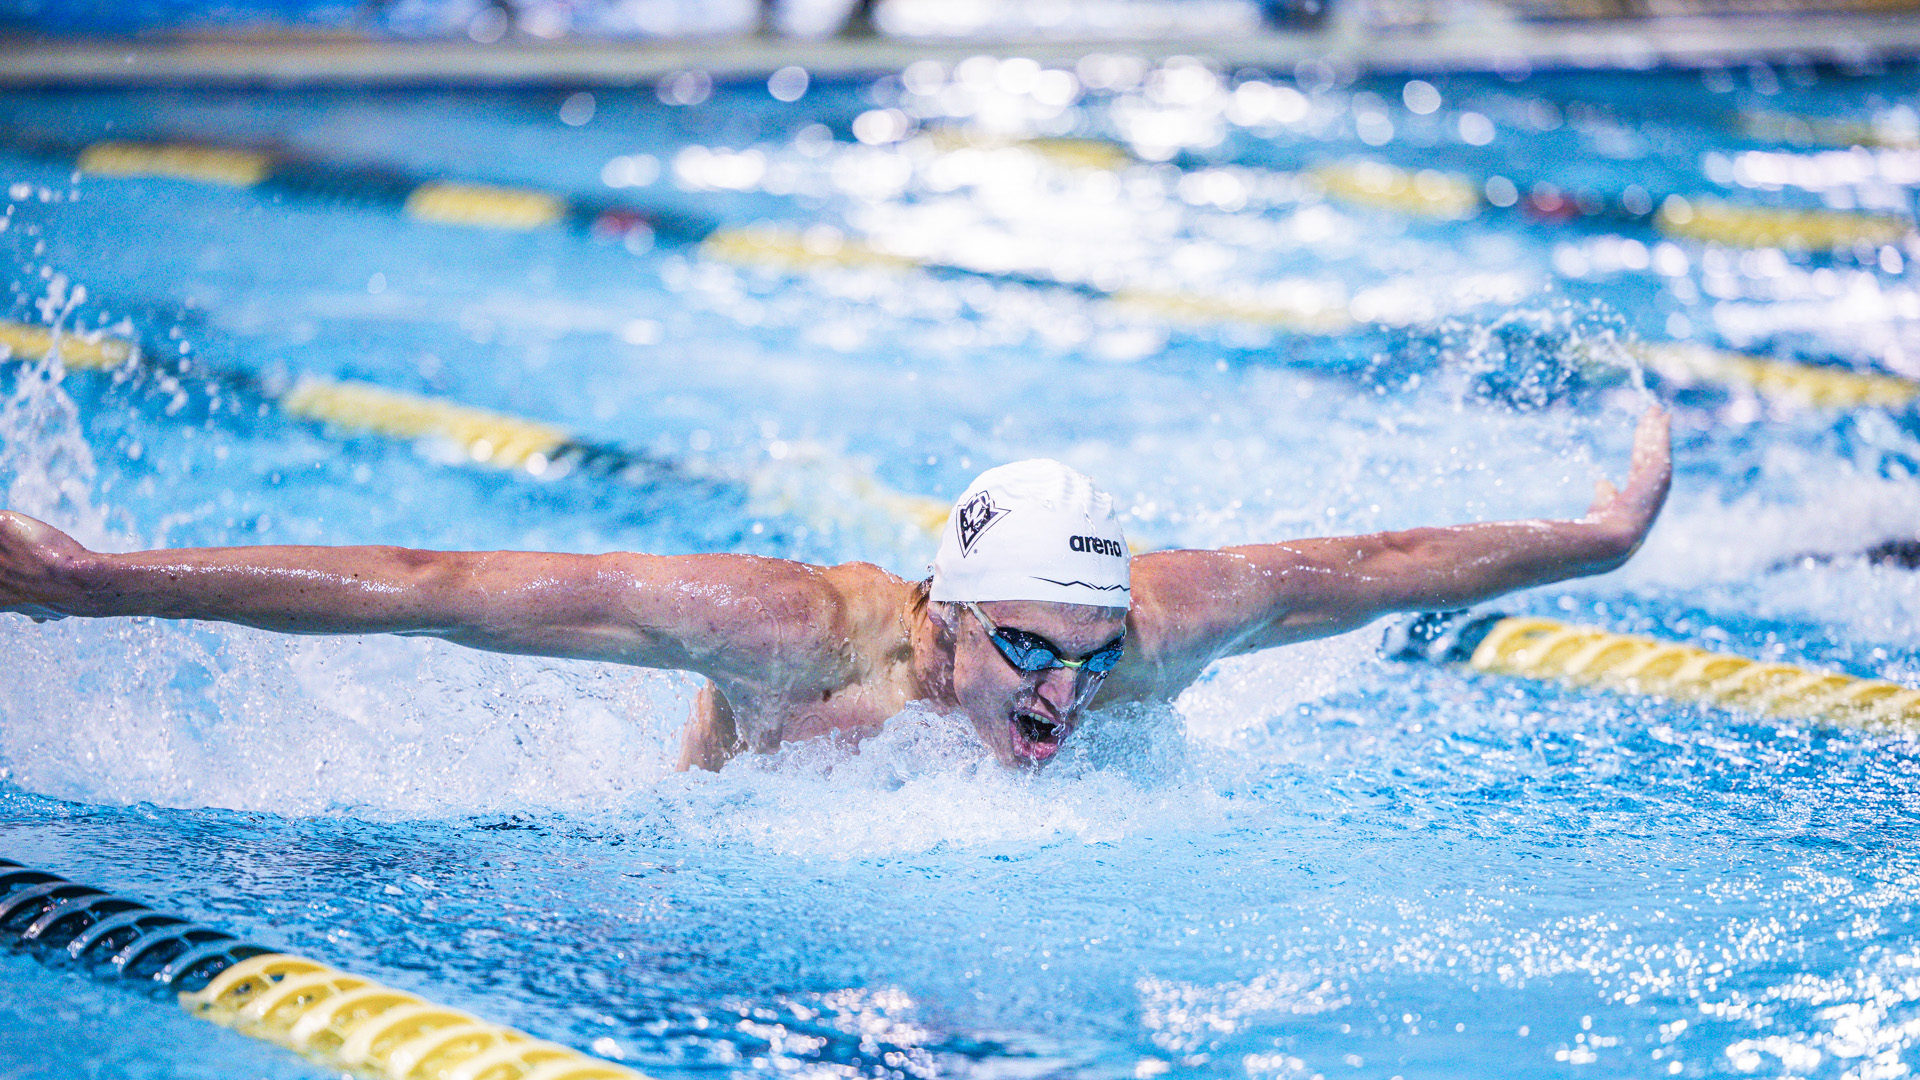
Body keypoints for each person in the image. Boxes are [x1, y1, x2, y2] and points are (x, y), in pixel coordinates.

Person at [0, 407, 1672, 772]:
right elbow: (438, 580)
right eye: (1026, 649)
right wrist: (87, 580)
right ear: (942, 615)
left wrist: (1592, 539)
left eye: (1090, 659)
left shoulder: (1134, 648)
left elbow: (1369, 571)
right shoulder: (799, 640)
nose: (1062, 698)